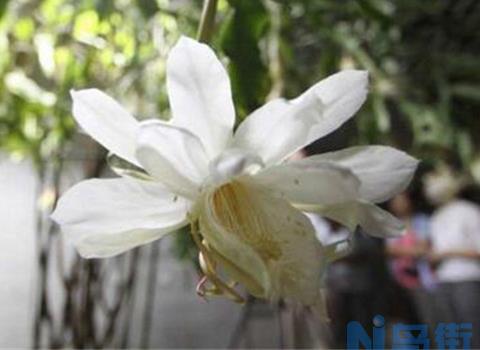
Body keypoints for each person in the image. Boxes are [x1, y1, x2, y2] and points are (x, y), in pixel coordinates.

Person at [429, 188, 480, 348]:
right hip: (443, 279)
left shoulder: (469, 211)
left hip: (467, 277)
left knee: (471, 326)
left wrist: (446, 253)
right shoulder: (436, 215)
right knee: (450, 328)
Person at [385, 192, 437, 327]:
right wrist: (414, 250)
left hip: (424, 279)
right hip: (400, 281)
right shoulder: (388, 225)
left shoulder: (423, 221)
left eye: (402, 200)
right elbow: (389, 250)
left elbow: (424, 248)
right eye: (396, 201)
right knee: (409, 321)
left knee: (429, 318)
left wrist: (401, 250)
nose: (399, 204)